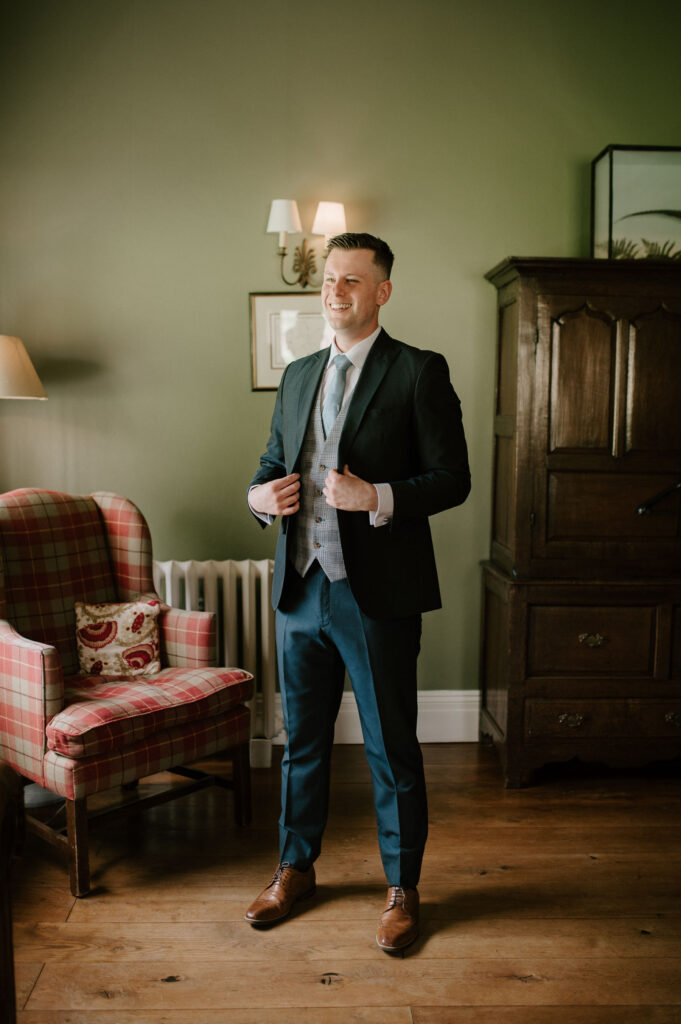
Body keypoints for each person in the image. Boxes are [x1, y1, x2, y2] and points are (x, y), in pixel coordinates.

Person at [245, 232, 470, 951]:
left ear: (381, 292)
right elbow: (272, 462)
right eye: (329, 280)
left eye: (351, 281)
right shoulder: (298, 374)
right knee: (300, 743)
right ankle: (293, 867)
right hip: (300, 588)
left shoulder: (417, 372)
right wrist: (258, 496)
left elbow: (452, 478)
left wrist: (373, 494)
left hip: (376, 594)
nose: (335, 291)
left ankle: (401, 888)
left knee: (389, 746)